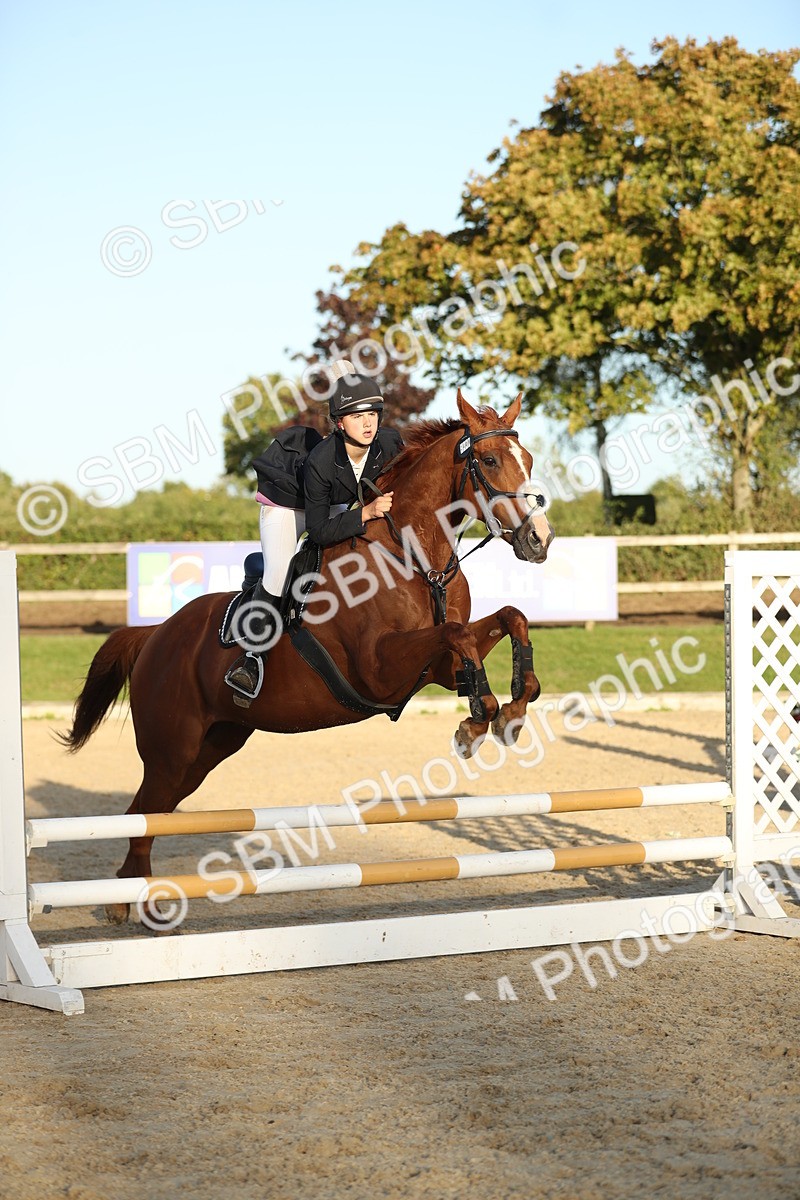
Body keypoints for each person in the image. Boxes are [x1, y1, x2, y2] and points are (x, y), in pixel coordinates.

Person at [225, 359, 404, 701]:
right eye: (357, 416)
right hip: (287, 506)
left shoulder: (389, 443)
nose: (368, 424)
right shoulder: (322, 459)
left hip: (329, 503)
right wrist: (365, 512)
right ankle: (251, 659)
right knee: (279, 574)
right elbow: (319, 532)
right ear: (339, 423)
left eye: (372, 414)